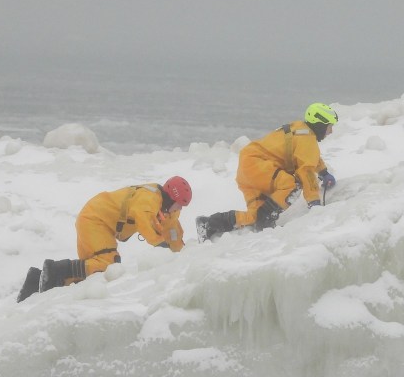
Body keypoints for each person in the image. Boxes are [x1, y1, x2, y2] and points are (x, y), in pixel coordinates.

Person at [17, 175, 192, 302]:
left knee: (92, 275)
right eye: (179, 204)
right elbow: (144, 221)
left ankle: (36, 282)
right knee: (109, 264)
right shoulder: (149, 199)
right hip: (94, 219)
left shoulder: (169, 210)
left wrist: (181, 255)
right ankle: (53, 270)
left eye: (182, 206)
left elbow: (173, 233)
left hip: (100, 224)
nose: (180, 209)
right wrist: (160, 246)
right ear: (171, 196)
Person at [195, 103, 338, 241]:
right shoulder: (307, 137)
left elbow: (309, 156)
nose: (330, 131)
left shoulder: (300, 131)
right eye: (329, 126)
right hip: (258, 166)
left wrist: (323, 172)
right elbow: (306, 170)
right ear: (320, 124)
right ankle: (266, 217)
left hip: (249, 169)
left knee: (254, 217)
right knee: (292, 185)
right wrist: (314, 202)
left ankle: (208, 224)